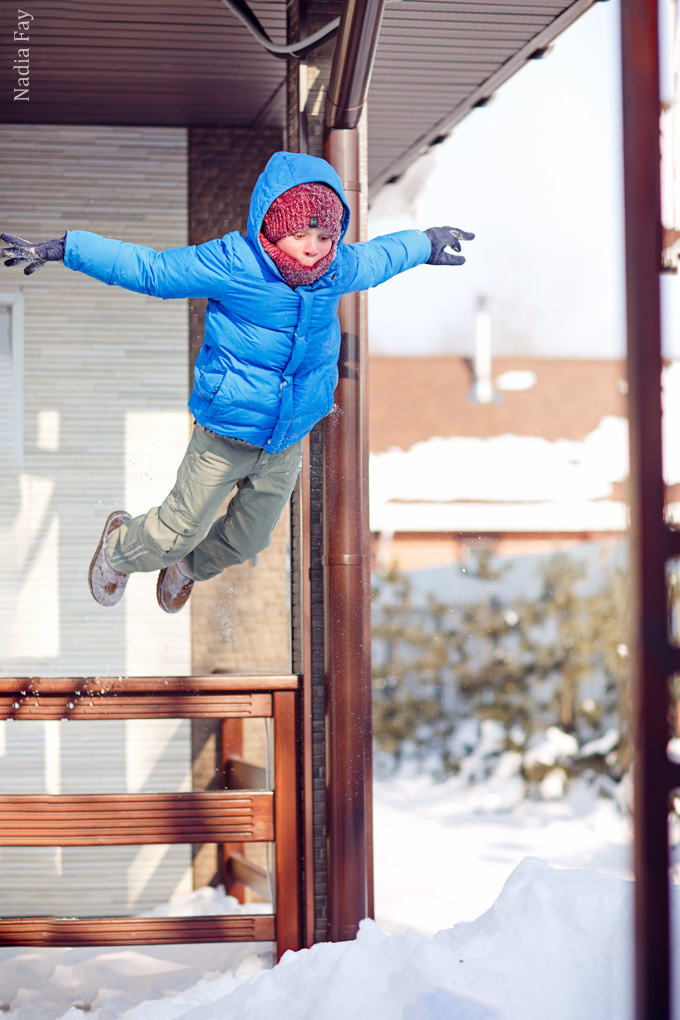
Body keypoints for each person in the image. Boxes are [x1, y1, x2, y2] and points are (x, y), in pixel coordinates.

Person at [1, 150, 473, 614]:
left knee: (247, 541)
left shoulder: (336, 267)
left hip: (286, 437)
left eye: (326, 236)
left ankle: (188, 567)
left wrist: (425, 242)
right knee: (173, 534)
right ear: (273, 225)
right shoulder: (234, 263)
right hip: (225, 432)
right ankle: (119, 548)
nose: (314, 247)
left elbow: (380, 257)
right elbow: (154, 270)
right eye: (301, 234)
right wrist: (69, 249)